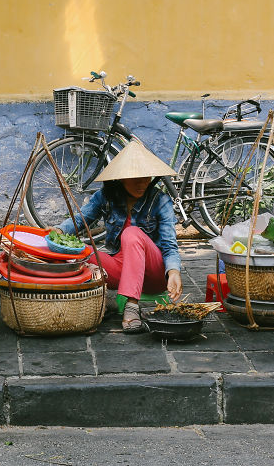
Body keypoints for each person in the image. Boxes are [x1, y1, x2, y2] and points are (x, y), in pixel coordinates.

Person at [54, 140, 182, 332]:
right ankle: (101, 301)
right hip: (123, 271)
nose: (142, 183)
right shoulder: (105, 196)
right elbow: (81, 220)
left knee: (132, 233)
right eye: (135, 179)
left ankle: (131, 306)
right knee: (75, 252)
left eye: (146, 178)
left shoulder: (160, 201)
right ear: (120, 179)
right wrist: (59, 232)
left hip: (153, 272)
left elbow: (169, 245)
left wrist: (173, 272)